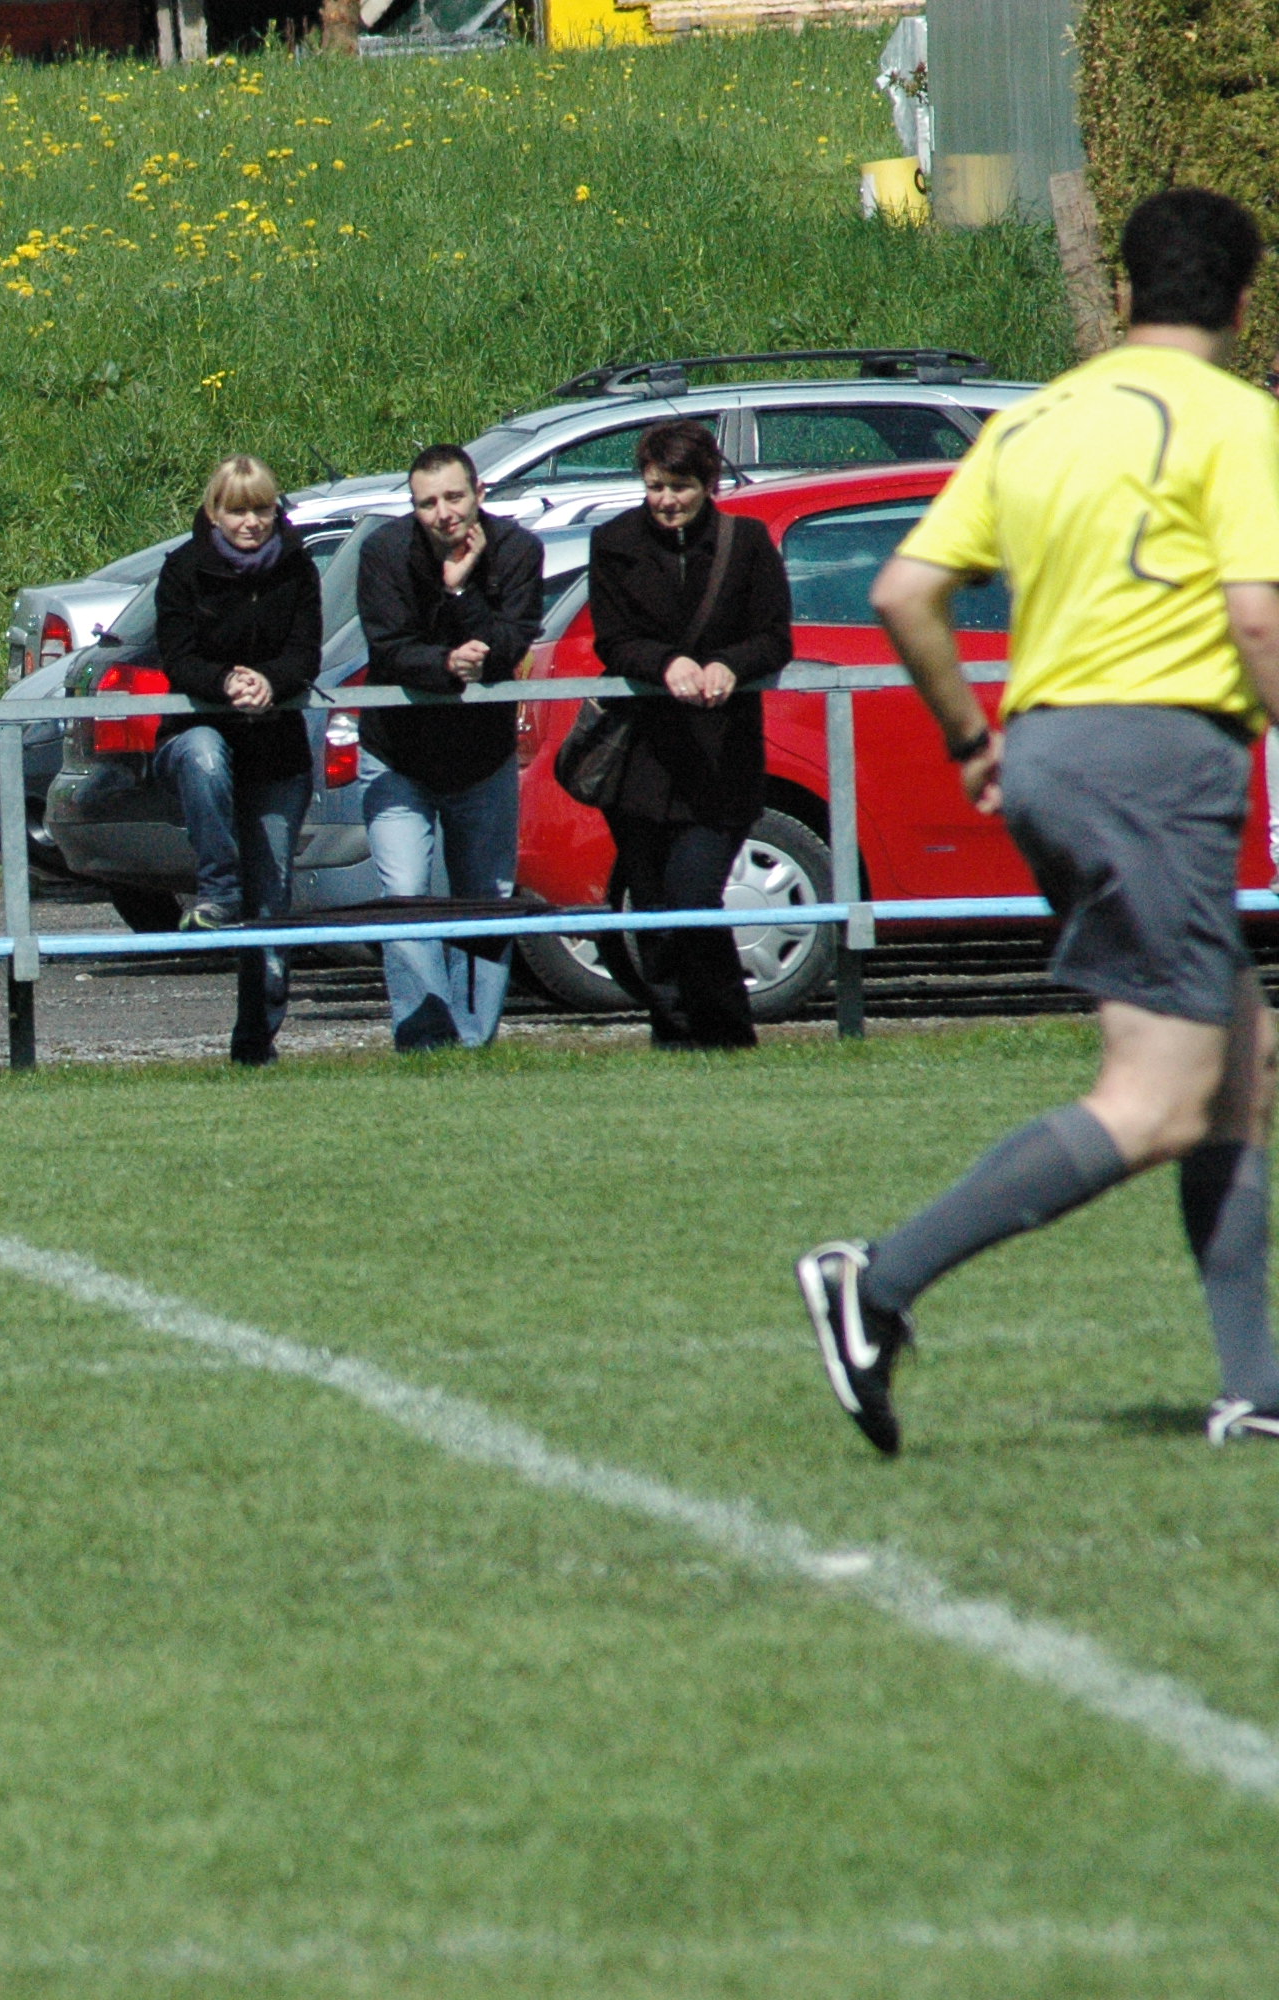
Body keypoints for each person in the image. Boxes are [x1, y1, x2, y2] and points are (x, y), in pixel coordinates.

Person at [801, 187, 1279, 1456]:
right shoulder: (1237, 422)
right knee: (1157, 1097)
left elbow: (905, 591)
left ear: (1121, 292)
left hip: (1051, 749)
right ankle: (876, 1280)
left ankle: (1255, 1385)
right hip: (1154, 760)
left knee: (1238, 1060)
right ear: (1241, 301)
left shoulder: (1033, 420)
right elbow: (1254, 616)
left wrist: (972, 738)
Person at [580, 421, 792, 1051]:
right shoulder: (614, 542)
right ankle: (672, 1037)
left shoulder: (746, 543)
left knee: (694, 895)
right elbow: (613, 640)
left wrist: (731, 664)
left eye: (680, 486)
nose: (666, 500)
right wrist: (664, 663)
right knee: (653, 906)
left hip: (721, 758)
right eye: (655, 487)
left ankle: (727, 1034)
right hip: (641, 758)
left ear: (709, 483)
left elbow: (775, 637)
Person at [355, 445, 542, 1050]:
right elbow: (389, 649)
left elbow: (511, 644)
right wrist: (446, 663)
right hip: (398, 753)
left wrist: (463, 594)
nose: (443, 513)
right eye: (427, 503)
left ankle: (473, 1041)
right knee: (406, 900)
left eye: (454, 497)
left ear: (479, 494)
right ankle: (428, 1041)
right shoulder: (384, 553)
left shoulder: (518, 551)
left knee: (487, 903)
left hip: (482, 756)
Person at [150, 454, 325, 1066]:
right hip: (199, 735)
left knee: (271, 905)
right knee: (204, 752)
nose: (250, 522)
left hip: (276, 753)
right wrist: (226, 682)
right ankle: (217, 891)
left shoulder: (298, 566)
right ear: (214, 512)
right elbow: (177, 656)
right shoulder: (182, 569)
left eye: (261, 509)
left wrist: (270, 682)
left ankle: (255, 1044)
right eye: (237, 510)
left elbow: (306, 653)